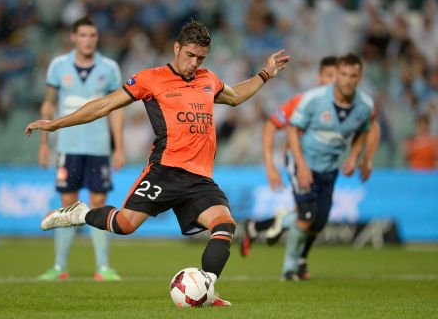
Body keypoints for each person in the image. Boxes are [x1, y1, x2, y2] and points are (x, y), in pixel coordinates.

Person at [25, 20, 290, 306]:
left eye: (201, 58)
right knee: (125, 225)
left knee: (224, 224)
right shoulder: (150, 79)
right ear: (177, 48)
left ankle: (206, 288)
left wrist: (266, 74)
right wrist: (56, 124)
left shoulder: (207, 79)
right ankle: (80, 214)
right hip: (164, 172)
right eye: (190, 55)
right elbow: (103, 105)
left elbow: (236, 96)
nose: (194, 63)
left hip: (199, 178)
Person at [240, 56, 381, 281]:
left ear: (358, 78)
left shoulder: (361, 105)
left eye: (346, 76)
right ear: (321, 77)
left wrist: (363, 158)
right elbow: (273, 126)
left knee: (318, 219)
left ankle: (267, 226)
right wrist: (270, 165)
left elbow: (370, 127)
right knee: (306, 215)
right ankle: (291, 267)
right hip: (301, 162)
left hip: (329, 166)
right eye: (333, 76)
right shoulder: (305, 101)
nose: (339, 81)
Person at [36, 17, 125, 281]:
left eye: (93, 35)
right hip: (68, 145)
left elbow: (116, 110)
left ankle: (103, 267)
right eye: (83, 35)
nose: (88, 39)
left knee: (98, 203)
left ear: (97, 38)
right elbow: (49, 105)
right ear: (74, 37)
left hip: (98, 147)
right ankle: (59, 267)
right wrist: (43, 144)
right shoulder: (58, 66)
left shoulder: (109, 68)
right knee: (67, 202)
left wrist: (118, 146)